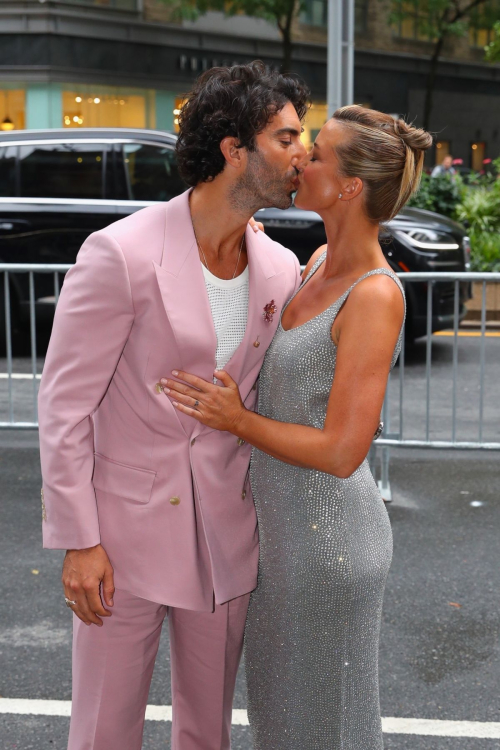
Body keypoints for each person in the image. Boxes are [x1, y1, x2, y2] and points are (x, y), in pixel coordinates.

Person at [37, 61, 308, 750]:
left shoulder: (279, 268)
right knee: (105, 730)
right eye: (286, 137)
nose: (301, 153)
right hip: (119, 543)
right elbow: (65, 405)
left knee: (207, 733)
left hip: (224, 538)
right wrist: (80, 540)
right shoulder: (122, 253)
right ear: (233, 148)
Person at [163, 105, 433, 749]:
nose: (299, 160)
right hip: (282, 542)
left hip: (329, 547)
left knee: (322, 728)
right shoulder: (312, 262)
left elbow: (343, 451)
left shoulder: (374, 294)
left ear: (349, 188)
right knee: (284, 723)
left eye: (317, 154)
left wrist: (238, 421)